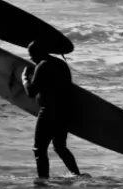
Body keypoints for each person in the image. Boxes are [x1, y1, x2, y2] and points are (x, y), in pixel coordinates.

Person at [22, 40, 83, 181]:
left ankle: (43, 182)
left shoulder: (43, 65)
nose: (31, 58)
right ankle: (77, 175)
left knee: (39, 149)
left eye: (32, 55)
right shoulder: (61, 64)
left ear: (39, 53)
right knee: (60, 146)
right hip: (65, 111)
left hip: (49, 112)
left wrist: (25, 77)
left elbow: (31, 92)